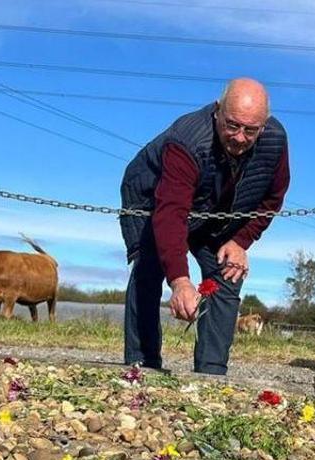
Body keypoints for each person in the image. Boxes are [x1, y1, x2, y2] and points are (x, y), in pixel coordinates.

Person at [120, 78, 290, 375]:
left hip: (219, 207)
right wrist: (180, 281)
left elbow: (273, 197)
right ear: (217, 111)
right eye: (232, 125)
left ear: (264, 126)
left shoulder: (275, 141)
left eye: (250, 130)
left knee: (228, 271)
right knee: (150, 265)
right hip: (153, 198)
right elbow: (171, 213)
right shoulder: (186, 141)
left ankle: (211, 375)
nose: (239, 137)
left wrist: (241, 240)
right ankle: (141, 366)